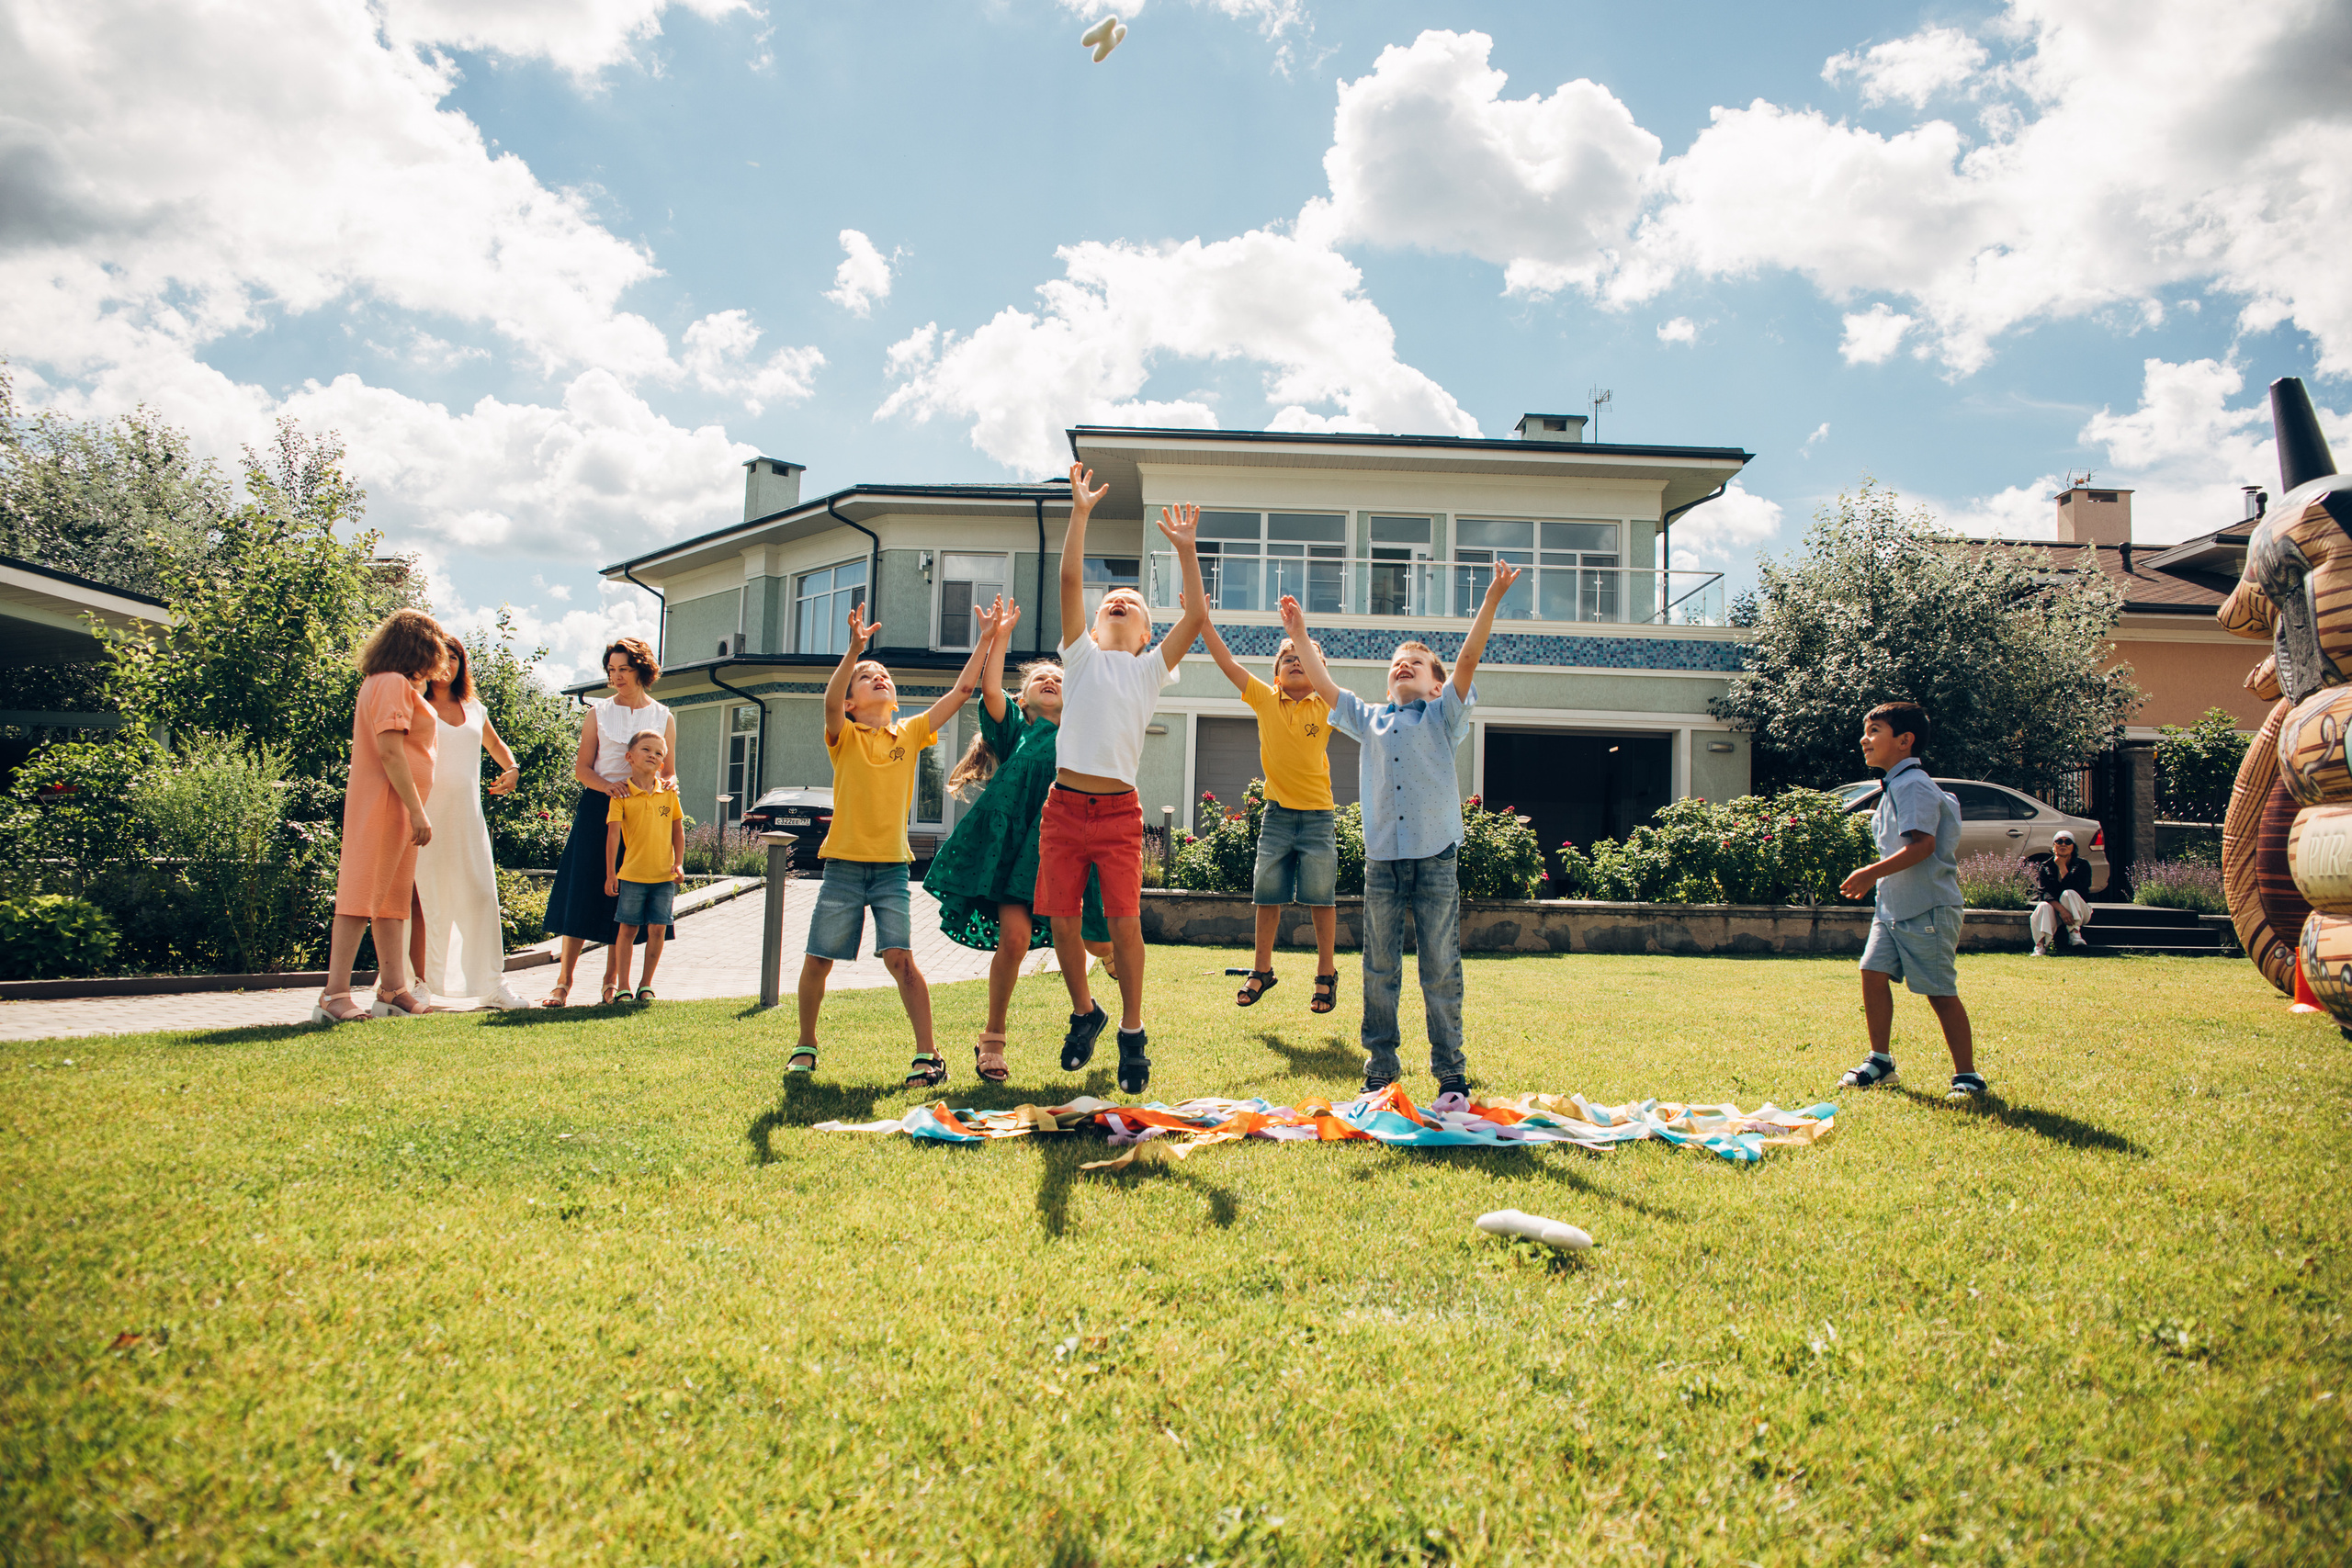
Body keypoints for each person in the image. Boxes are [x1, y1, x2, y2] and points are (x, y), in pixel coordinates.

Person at [1280, 564, 1516, 1100]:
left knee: (1440, 969)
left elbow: (1468, 659)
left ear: (1436, 685)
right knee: (1379, 969)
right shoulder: (1369, 719)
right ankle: (1380, 1069)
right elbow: (1323, 684)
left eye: (1416, 664)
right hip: (1383, 861)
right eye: (1396, 664)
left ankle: (1450, 1072)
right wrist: (1298, 635)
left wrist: (1493, 599)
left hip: (1436, 859)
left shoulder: (1443, 717)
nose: (1403, 667)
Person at [1038, 466, 1208, 1095]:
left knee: (1123, 924)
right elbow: (1070, 578)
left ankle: (1131, 1029)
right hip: (1063, 809)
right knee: (1060, 920)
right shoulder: (1078, 657)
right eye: (1115, 598)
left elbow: (1194, 615)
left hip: (1115, 815)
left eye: (1133, 604)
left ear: (1143, 635)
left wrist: (1186, 551)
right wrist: (1079, 514)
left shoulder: (1147, 672)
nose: (1119, 599)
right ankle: (1087, 1011)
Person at [793, 600, 995, 1086]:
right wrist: (853, 652)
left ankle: (928, 1055)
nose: (879, 677)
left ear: (896, 699)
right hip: (842, 866)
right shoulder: (843, 735)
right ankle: (805, 1044)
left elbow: (963, 690)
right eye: (868, 677)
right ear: (851, 701)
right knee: (819, 958)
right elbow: (828, 702)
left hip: (891, 870)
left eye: (883, 674)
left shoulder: (911, 732)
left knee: (900, 958)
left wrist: (985, 639)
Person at [922, 597, 1115, 1083]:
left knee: (1096, 941)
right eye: (1038, 681)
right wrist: (998, 636)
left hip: (1071, 847)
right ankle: (993, 1041)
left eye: (1059, 679)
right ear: (1024, 700)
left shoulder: (1079, 727)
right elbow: (988, 689)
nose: (1050, 681)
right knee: (1014, 938)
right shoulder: (1016, 733)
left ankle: (1098, 985)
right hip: (1016, 857)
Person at [1837, 701, 1985, 1102]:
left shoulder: (1913, 785)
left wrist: (1870, 872)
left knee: (1938, 990)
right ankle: (1880, 1061)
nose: (1864, 740)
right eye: (1865, 731)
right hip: (1894, 906)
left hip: (1927, 907)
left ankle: (1968, 1076)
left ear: (1904, 741)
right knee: (1872, 972)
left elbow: (1923, 846)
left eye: (1875, 731)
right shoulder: (1892, 787)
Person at [1194, 618, 1340, 1013]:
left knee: (1320, 896)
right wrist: (1203, 623)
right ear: (1275, 673)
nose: (1295, 661)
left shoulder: (1327, 702)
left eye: (1304, 658)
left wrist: (1302, 636)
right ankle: (1262, 970)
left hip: (1318, 817)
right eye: (1287, 658)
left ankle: (1325, 973)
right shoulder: (1264, 699)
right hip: (1276, 816)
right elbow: (1227, 663)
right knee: (1267, 893)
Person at [315, 608, 446, 1024]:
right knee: (359, 898)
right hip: (386, 803)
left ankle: (394, 990)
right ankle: (334, 994)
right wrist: (417, 809)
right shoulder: (390, 683)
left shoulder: (388, 683)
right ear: (420, 647)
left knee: (392, 901)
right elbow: (390, 751)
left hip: (396, 807)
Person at [542, 637, 676, 1006]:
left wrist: (666, 785)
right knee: (582, 893)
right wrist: (609, 787)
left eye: (624, 669)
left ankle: (611, 982)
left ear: (642, 671)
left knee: (627, 901)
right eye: (611, 670)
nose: (616, 677)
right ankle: (563, 982)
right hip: (598, 809)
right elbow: (581, 769)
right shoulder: (597, 713)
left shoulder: (664, 716)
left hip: (644, 818)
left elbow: (671, 772)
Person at [412, 635, 525, 1010]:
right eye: (441, 659)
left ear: (462, 664)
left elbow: (495, 746)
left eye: (455, 659)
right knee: (426, 901)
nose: (448, 666)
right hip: (424, 815)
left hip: (467, 818)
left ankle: (492, 984)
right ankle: (418, 984)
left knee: (480, 896)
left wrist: (511, 769)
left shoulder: (474, 708)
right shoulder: (415, 703)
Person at [603, 729, 685, 1001]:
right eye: (646, 750)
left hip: (663, 878)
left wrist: (679, 863)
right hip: (632, 876)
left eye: (659, 753)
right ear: (630, 757)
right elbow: (613, 836)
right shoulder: (621, 795)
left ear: (663, 765)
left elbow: (678, 831)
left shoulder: (670, 794)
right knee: (627, 929)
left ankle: (645, 984)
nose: (653, 755)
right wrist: (611, 873)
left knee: (658, 929)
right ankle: (623, 987)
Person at [2023, 829, 2094, 955]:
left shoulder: (2082, 865)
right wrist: (2062, 910)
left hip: (2080, 912)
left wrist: (2062, 867)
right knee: (2043, 906)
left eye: (2068, 842)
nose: (2063, 844)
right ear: (2053, 846)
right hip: (2058, 914)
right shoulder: (2045, 867)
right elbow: (2045, 894)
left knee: (2069, 893)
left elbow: (2078, 889)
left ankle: (2074, 933)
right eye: (2059, 841)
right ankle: (2040, 945)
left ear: (2073, 847)